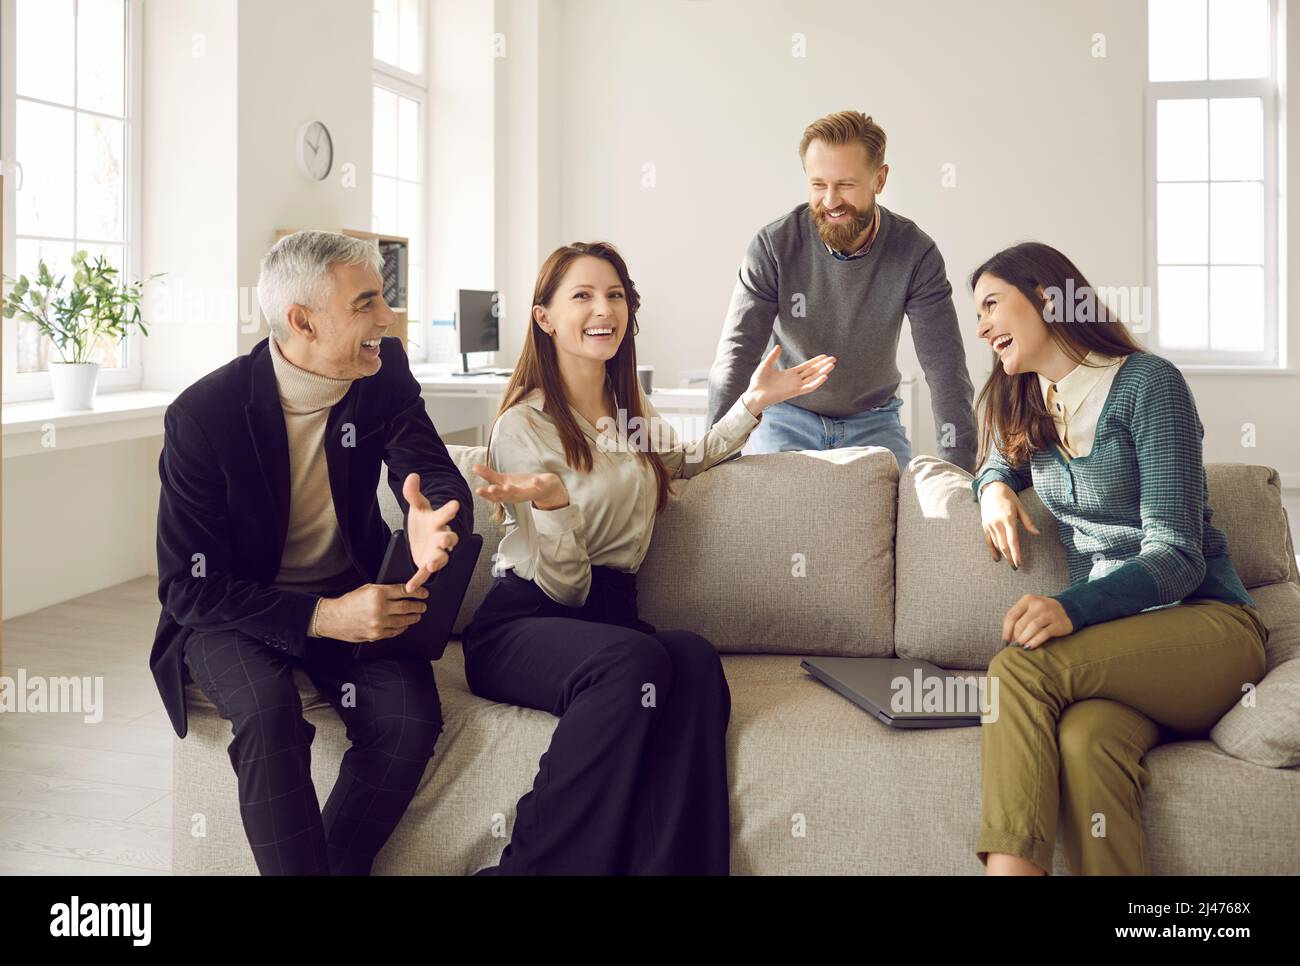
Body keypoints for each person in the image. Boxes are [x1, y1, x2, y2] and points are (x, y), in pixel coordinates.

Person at [462, 241, 835, 874]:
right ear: (545, 318)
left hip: (609, 623)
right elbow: (564, 589)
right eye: (581, 295)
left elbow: (685, 460)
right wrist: (552, 506)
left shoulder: (626, 413)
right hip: (527, 620)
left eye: (614, 295)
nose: (603, 308)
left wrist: (755, 402)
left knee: (689, 657)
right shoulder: (523, 428)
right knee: (635, 660)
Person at [151, 230, 472, 875]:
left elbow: (432, 471)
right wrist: (323, 617)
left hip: (355, 589)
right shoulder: (203, 416)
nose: (387, 317)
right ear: (302, 320)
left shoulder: (382, 376)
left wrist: (432, 519)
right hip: (238, 611)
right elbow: (190, 589)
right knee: (269, 717)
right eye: (366, 303)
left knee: (408, 721)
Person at [968, 242, 1268, 875]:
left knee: (1018, 672)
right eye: (978, 315)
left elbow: (1178, 555)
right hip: (1125, 654)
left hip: (1207, 629)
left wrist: (1071, 608)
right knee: (1085, 741)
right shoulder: (1031, 402)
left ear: (1048, 298)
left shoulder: (1148, 386)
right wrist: (992, 486)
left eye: (993, 304)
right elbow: (1001, 457)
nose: (983, 325)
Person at [707, 109, 977, 472]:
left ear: (879, 179)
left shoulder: (915, 253)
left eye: (846, 185)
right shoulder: (773, 247)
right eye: (819, 184)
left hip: (874, 420)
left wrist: (960, 473)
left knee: (900, 518)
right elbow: (735, 359)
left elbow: (946, 370)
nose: (831, 200)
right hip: (787, 416)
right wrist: (715, 460)